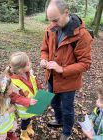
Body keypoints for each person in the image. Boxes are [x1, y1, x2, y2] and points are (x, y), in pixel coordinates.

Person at [40, 0, 92, 139]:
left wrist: (62, 69)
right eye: (50, 20)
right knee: (53, 102)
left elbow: (85, 63)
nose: (53, 24)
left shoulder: (82, 36)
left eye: (55, 20)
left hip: (68, 82)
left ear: (66, 13)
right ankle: (59, 120)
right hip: (51, 77)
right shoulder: (50, 29)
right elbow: (44, 49)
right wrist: (43, 59)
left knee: (67, 109)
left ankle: (67, 132)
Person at [5, 51, 42, 140]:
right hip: (24, 106)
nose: (30, 63)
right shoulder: (13, 82)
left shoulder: (29, 72)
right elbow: (14, 97)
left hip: (32, 101)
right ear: (21, 70)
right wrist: (27, 101)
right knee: (25, 120)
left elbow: (34, 81)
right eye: (28, 63)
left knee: (31, 116)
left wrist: (40, 89)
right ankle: (23, 133)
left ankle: (29, 127)